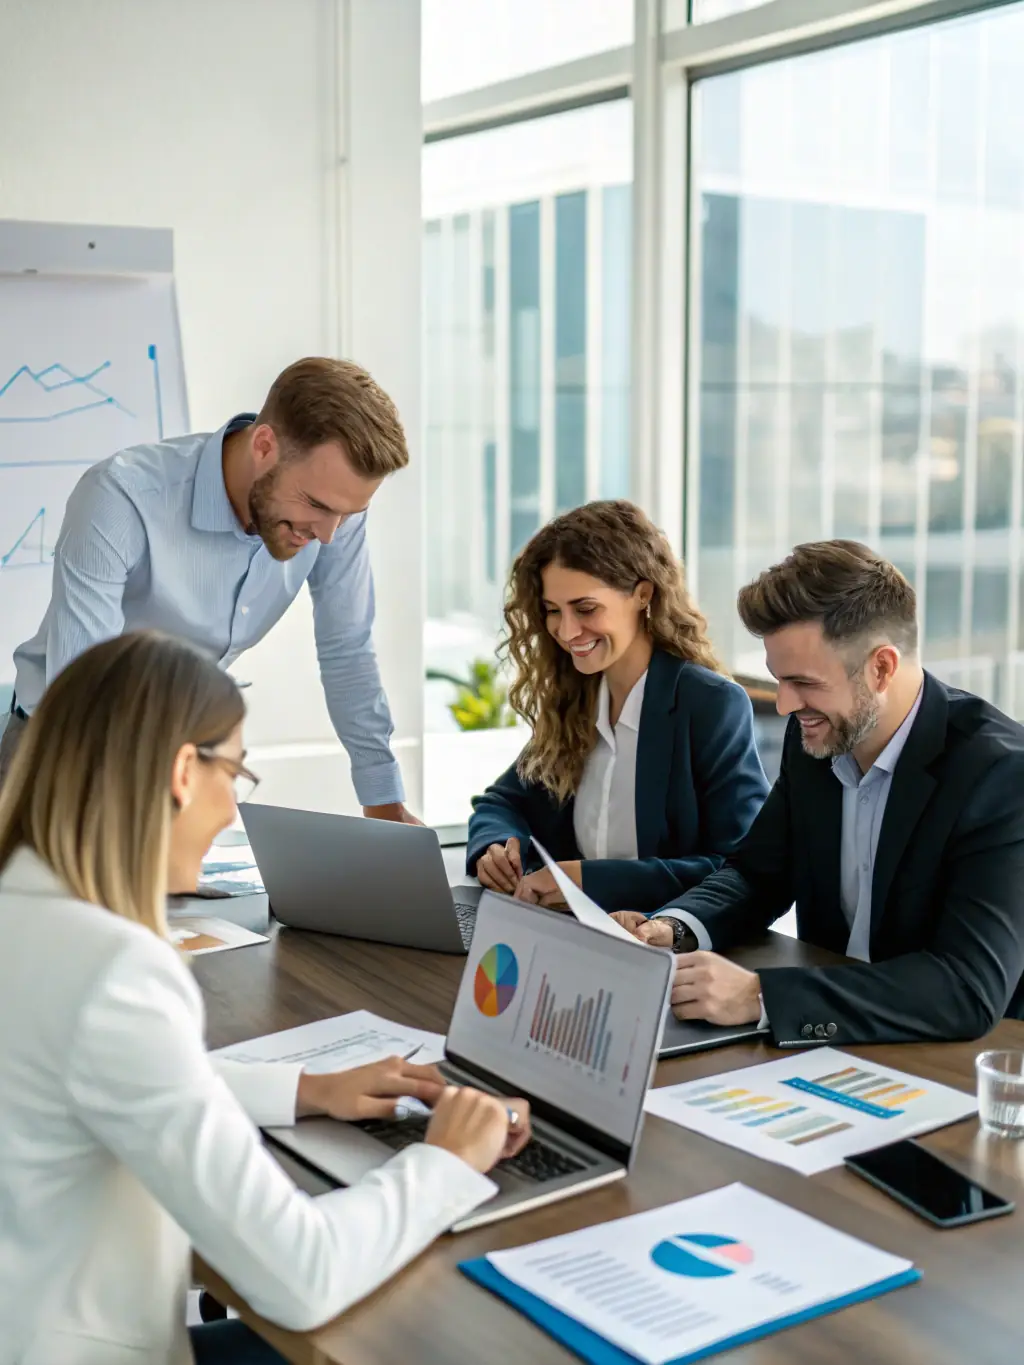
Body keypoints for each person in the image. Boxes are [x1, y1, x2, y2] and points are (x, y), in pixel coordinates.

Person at [0, 631, 529, 1365]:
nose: (230, 810)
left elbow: (89, 1072)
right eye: (236, 774)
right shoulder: (116, 972)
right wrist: (447, 1162)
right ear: (185, 770)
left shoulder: (24, 910)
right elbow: (301, 1275)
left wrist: (308, 1089)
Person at [614, 540, 1024, 1045]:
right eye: (778, 680)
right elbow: (757, 873)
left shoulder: (1001, 775)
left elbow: (965, 986)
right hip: (826, 1049)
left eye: (803, 683)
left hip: (964, 1065)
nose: (785, 705)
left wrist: (760, 996)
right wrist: (674, 928)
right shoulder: (819, 736)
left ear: (881, 668)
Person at [0, 358, 417, 824]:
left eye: (348, 514)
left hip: (176, 758)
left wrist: (384, 803)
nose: (327, 536)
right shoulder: (122, 497)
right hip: (64, 750)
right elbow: (83, 690)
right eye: (316, 506)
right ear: (264, 446)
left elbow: (347, 650)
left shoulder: (330, 517)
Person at [467, 501, 769, 913]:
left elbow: (740, 867)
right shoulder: (576, 697)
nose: (567, 630)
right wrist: (497, 848)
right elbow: (502, 802)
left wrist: (589, 880)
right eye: (553, 611)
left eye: (585, 608)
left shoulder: (710, 704)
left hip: (669, 947)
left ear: (642, 594)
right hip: (570, 933)